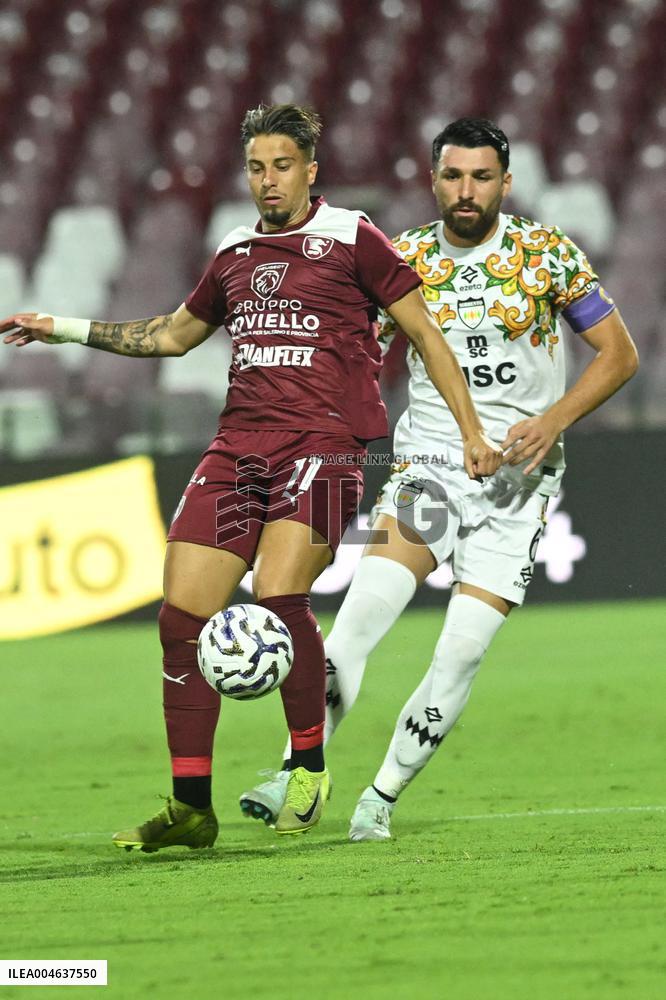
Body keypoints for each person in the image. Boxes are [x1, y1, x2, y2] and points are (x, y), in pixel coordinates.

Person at [2, 105, 502, 852]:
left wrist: (470, 432)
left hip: (328, 448)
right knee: (181, 620)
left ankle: (307, 765)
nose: (268, 181)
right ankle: (191, 808)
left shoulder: (352, 236)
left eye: (281, 166)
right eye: (256, 168)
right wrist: (63, 328)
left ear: (310, 170)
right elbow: (171, 335)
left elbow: (425, 333)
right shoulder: (234, 251)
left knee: (278, 595)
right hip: (238, 449)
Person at [240, 116, 639, 840]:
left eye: (481, 177)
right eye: (453, 176)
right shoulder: (407, 258)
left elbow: (618, 355)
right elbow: (354, 358)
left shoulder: (545, 255)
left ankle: (381, 797)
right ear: (433, 180)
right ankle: (298, 775)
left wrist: (553, 420)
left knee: (460, 652)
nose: (466, 190)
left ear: (505, 183)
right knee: (359, 623)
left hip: (520, 489)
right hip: (430, 472)